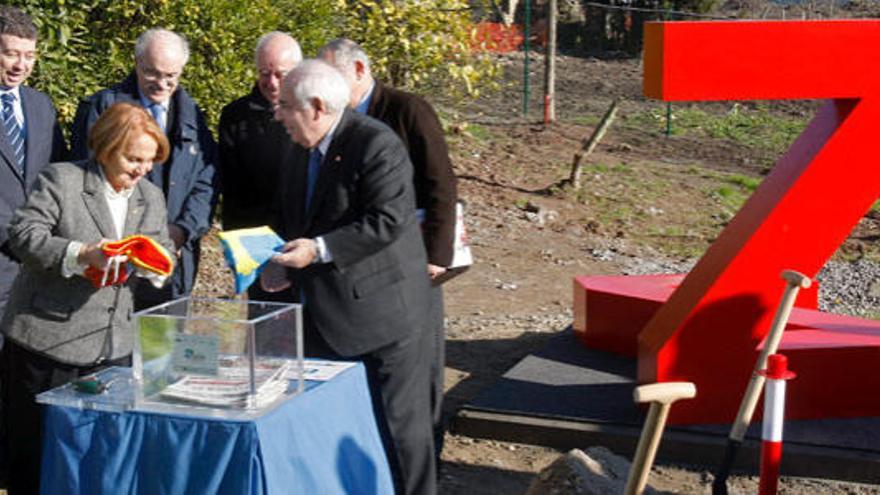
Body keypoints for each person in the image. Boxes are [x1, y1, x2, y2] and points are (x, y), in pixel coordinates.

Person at [262, 59, 435, 495]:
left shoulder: (377, 144)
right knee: (336, 423)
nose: (276, 113)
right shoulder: (297, 145)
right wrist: (274, 259)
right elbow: (291, 216)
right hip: (323, 313)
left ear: (317, 107)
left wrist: (317, 251)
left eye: (285, 105)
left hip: (384, 316)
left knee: (398, 430)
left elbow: (388, 220)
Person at [1, 102, 174, 495]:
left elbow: (162, 249)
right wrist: (80, 254)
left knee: (100, 458)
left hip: (111, 347)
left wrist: (155, 265)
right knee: (36, 459)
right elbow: (24, 235)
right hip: (46, 345)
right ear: (107, 148)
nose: (141, 169)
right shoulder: (62, 180)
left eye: (149, 161)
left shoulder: (151, 196)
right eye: (133, 158)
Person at [319, 38, 457, 457]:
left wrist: (437, 255)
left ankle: (428, 454)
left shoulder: (407, 109)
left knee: (421, 365)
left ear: (359, 70)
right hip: (363, 265)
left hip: (413, 257)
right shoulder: (334, 120)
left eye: (333, 75)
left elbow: (440, 183)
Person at [70, 28, 217, 310]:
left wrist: (182, 229)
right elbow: (88, 181)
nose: (162, 83)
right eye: (152, 73)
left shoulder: (193, 117)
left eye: (171, 76)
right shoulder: (104, 107)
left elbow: (206, 180)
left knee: (162, 347)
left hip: (172, 257)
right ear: (137, 62)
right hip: (116, 258)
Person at [218, 32, 300, 302]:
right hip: (258, 246)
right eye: (265, 73)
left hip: (307, 244)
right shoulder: (235, 116)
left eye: (281, 74)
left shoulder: (314, 113)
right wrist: (240, 251)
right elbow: (231, 191)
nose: (272, 83)